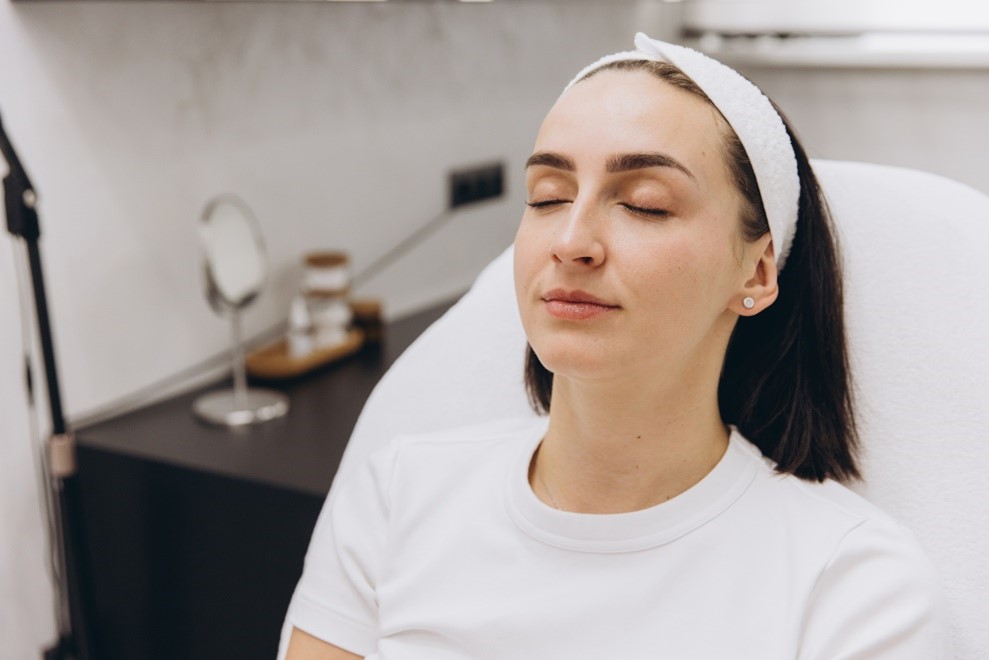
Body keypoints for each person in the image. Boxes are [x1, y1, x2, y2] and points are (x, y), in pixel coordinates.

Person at [282, 33, 946, 659]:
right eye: (547, 197)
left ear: (756, 272)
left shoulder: (852, 586)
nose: (570, 240)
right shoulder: (398, 495)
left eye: (646, 205)